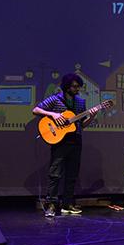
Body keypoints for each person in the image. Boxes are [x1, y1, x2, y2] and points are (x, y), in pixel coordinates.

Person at [33, 73, 97, 217]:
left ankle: (67, 204)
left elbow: (82, 125)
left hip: (76, 141)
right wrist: (52, 115)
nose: (76, 89)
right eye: (74, 86)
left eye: (78, 87)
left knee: (72, 175)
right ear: (66, 86)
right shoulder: (56, 99)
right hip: (60, 141)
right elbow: (36, 110)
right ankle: (51, 205)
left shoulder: (80, 102)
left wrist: (91, 116)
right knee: (55, 174)